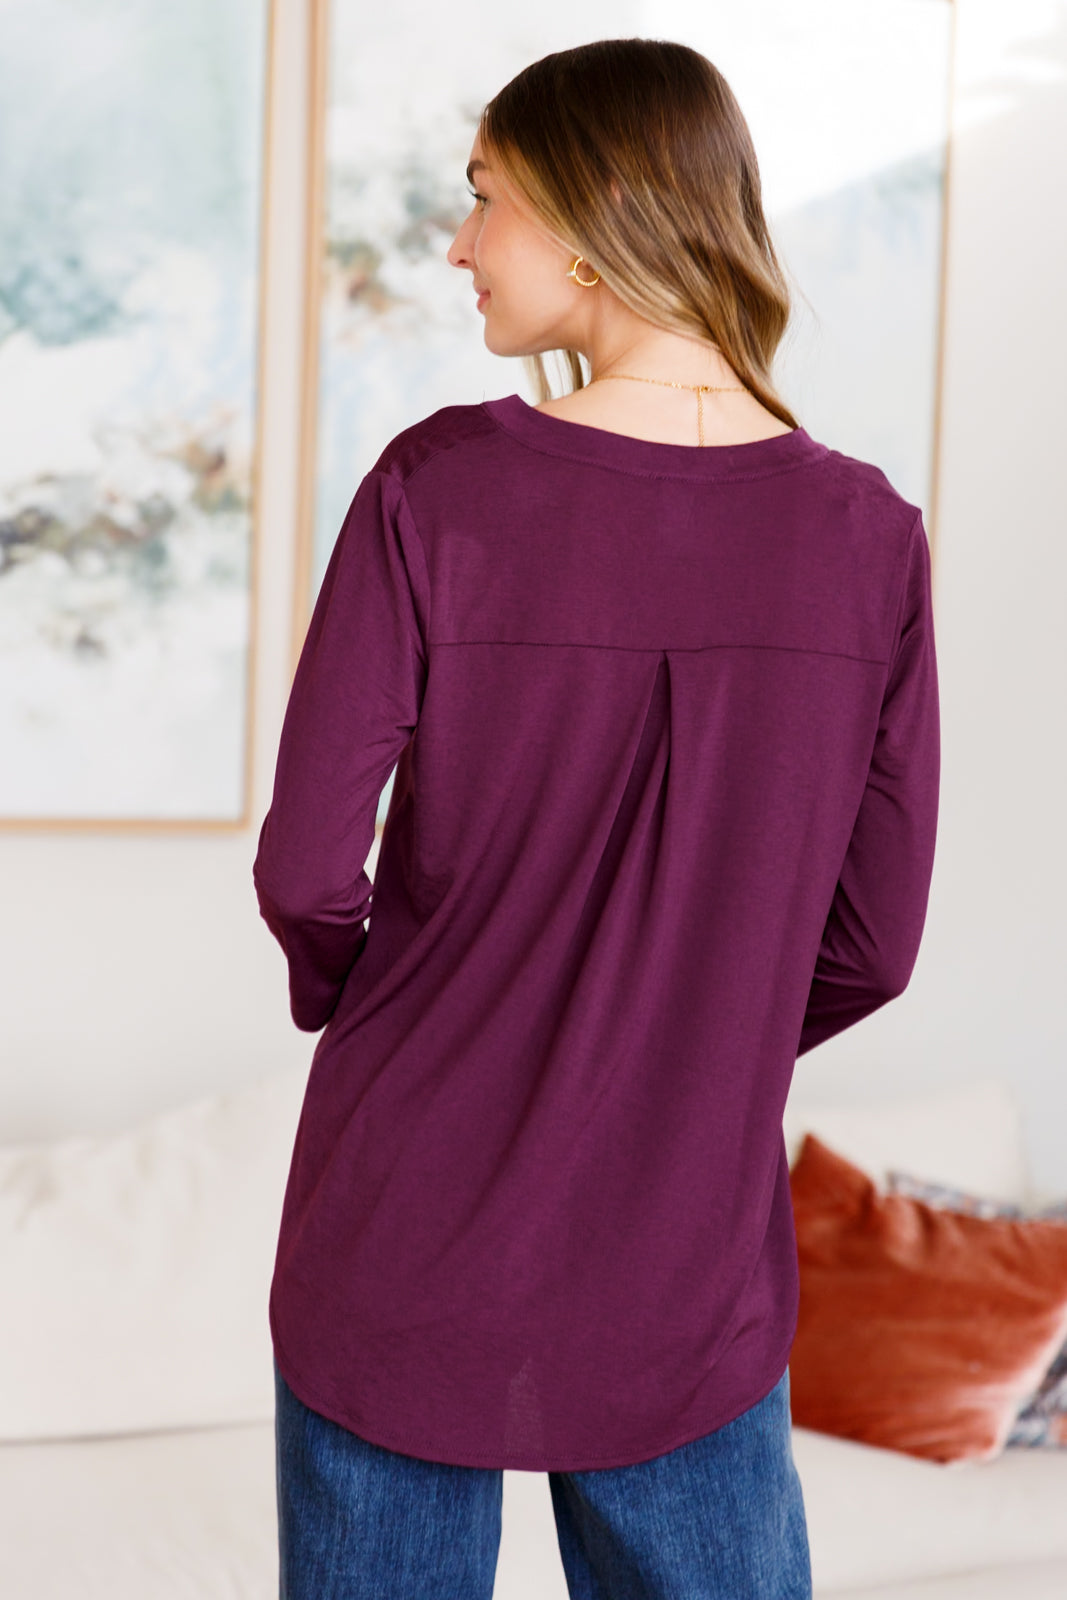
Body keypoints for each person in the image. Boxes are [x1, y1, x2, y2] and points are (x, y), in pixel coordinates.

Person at [254, 36, 940, 1600]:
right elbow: (874, 946)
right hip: (683, 1265)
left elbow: (305, 871)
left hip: (402, 1228)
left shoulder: (435, 489)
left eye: (483, 196)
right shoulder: (869, 541)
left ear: (591, 211)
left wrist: (400, 1010)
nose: (457, 243)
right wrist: (685, 1045)